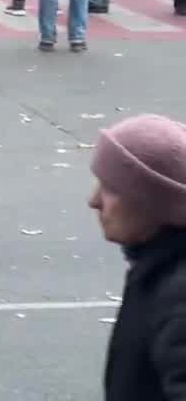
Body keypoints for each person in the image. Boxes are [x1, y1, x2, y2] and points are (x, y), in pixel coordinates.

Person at [89, 113, 186, 401]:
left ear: (156, 202)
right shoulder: (157, 265)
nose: (93, 201)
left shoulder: (179, 297)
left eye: (109, 188)